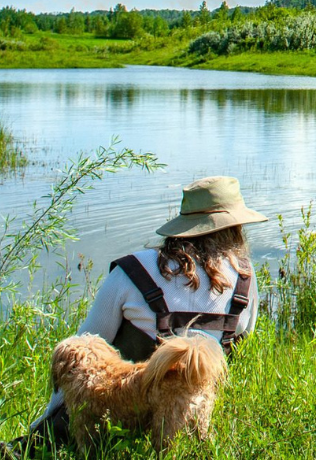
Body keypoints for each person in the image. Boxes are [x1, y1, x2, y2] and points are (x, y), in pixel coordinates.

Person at [26, 175, 268, 446]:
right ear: (235, 230)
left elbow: (82, 354)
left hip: (117, 416)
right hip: (198, 407)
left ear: (182, 226)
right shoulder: (245, 278)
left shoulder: (131, 272)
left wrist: (45, 420)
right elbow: (241, 341)